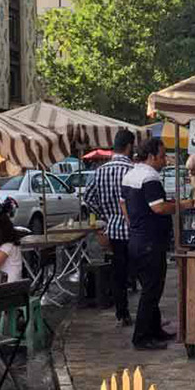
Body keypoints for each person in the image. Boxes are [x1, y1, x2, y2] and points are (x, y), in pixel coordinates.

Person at [121, 138, 194, 350]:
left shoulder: (130, 175)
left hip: (136, 239)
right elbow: (159, 208)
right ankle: (142, 337)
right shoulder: (149, 177)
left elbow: (123, 204)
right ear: (151, 156)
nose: (164, 160)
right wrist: (184, 205)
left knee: (149, 288)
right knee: (152, 290)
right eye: (162, 156)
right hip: (150, 242)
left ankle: (154, 330)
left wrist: (134, 225)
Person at [85, 129, 136, 326]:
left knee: (118, 273)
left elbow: (88, 198)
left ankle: (122, 312)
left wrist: (105, 215)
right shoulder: (132, 170)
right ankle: (144, 314)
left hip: (112, 229)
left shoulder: (99, 172)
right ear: (129, 146)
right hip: (133, 229)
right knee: (140, 271)